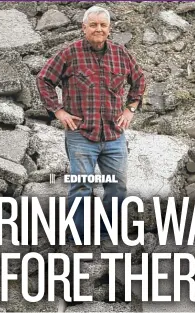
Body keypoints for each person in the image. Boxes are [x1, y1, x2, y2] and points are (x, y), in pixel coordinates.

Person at [36, 5, 146, 244]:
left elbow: (139, 80)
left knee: (118, 188)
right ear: (83, 27)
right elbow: (44, 79)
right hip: (81, 135)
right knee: (81, 187)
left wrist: (130, 109)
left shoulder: (121, 53)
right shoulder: (69, 53)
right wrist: (58, 111)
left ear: (109, 28)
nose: (99, 29)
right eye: (93, 25)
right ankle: (77, 237)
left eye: (103, 25)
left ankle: (106, 235)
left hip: (114, 134)